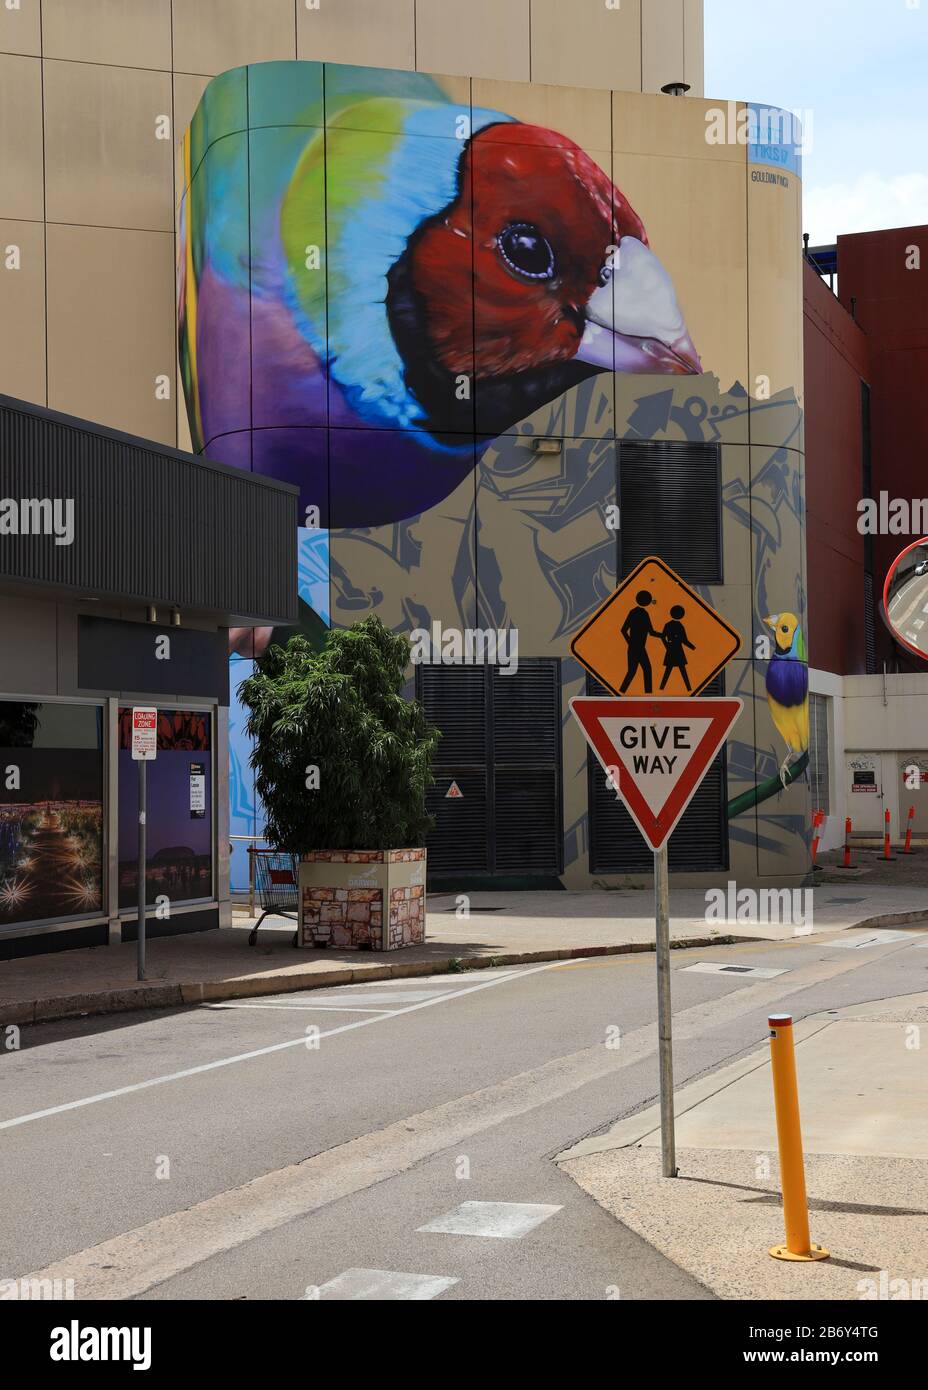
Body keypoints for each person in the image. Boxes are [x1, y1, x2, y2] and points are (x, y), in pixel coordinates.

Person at [620, 590, 658, 693]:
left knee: (638, 671)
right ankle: (623, 692)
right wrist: (631, 643)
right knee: (641, 670)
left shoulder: (636, 612)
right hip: (637, 648)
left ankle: (622, 692)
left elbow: (623, 630)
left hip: (637, 648)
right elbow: (623, 630)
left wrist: (630, 643)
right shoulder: (642, 613)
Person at [659, 604, 696, 691]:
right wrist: (693, 648)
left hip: (671, 650)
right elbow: (684, 640)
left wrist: (667, 646)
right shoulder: (680, 626)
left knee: (669, 670)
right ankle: (688, 688)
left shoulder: (668, 624)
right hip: (678, 650)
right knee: (682, 670)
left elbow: (662, 637)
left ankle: (661, 688)